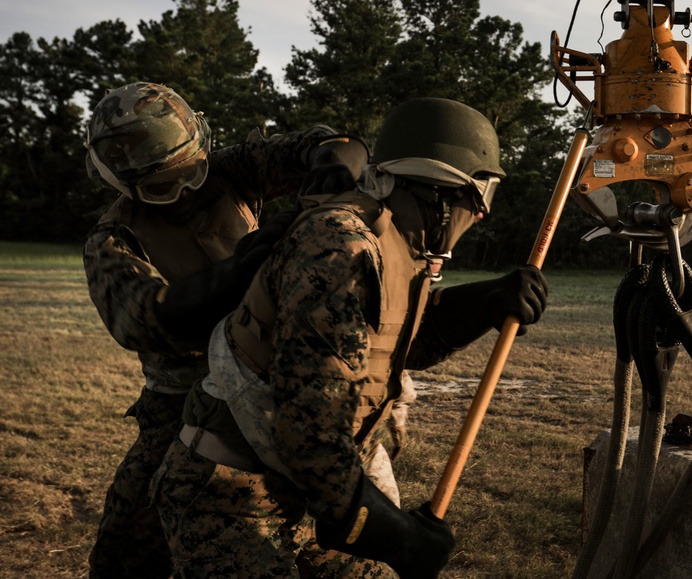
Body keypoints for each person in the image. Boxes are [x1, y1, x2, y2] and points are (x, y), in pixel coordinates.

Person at [151, 97, 549, 578]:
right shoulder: (340, 248)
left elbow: (397, 343)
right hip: (231, 495)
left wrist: (486, 302)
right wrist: (401, 540)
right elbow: (312, 437)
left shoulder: (396, 241)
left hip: (305, 487)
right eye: (479, 199)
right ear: (443, 194)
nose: (482, 216)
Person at [82, 81, 368, 579]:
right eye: (163, 188)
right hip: (183, 399)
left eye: (194, 171)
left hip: (270, 375)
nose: (188, 192)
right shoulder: (114, 240)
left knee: (339, 537)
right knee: (124, 553)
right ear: (124, 186)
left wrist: (332, 162)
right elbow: (149, 317)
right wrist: (241, 270)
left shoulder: (230, 173)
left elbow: (337, 144)